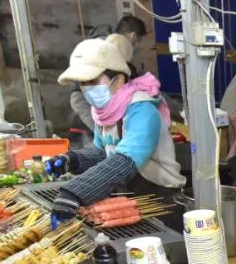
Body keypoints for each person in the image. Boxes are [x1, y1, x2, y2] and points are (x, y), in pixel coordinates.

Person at [49, 38, 184, 223]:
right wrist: (72, 160)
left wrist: (74, 192)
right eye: (82, 83)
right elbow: (102, 152)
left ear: (118, 80)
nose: (86, 89)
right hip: (129, 197)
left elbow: (126, 161)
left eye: (92, 81)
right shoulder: (104, 112)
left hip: (161, 197)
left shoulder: (142, 110)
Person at [70, 16, 149, 145]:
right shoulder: (108, 51)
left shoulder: (108, 48)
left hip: (89, 114)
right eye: (138, 40)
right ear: (134, 36)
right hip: (86, 118)